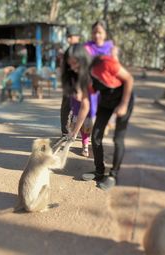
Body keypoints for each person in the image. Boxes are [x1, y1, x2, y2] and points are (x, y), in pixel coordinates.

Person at [65, 44, 134, 191]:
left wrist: (123, 104)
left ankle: (113, 175)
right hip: (106, 102)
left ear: (83, 58)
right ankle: (99, 171)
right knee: (95, 137)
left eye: (74, 63)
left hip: (123, 99)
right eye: (70, 64)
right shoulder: (84, 77)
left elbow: (129, 79)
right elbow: (85, 105)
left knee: (118, 139)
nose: (72, 68)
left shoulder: (105, 62)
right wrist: (75, 131)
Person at [60, 25, 82, 138]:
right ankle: (64, 132)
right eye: (67, 37)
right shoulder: (68, 51)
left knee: (82, 109)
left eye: (70, 36)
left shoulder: (81, 50)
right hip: (68, 84)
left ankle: (83, 135)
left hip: (80, 83)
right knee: (66, 107)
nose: (68, 39)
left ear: (77, 37)